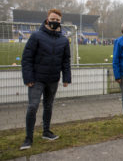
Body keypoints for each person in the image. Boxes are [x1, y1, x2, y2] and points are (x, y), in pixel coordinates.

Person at [20, 9, 71, 150]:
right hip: (36, 79)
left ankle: (46, 132)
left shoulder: (64, 39)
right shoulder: (36, 36)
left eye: (58, 20)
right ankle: (28, 138)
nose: (55, 22)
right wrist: (28, 77)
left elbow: (66, 61)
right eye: (53, 19)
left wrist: (66, 77)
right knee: (33, 107)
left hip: (53, 79)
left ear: (60, 22)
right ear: (47, 19)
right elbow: (26, 58)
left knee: (48, 106)